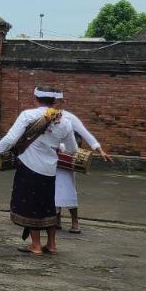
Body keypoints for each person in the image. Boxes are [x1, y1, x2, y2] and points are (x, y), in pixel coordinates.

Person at [0, 87, 75, 256]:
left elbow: (11, 139)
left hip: (30, 167)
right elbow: (71, 148)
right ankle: (51, 245)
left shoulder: (28, 115)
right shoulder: (65, 121)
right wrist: (56, 145)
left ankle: (35, 245)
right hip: (50, 170)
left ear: (35, 98)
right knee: (48, 206)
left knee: (31, 205)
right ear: (54, 101)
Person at [54, 92, 111, 234]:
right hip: (51, 158)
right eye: (53, 101)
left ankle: (75, 222)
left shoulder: (69, 117)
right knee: (52, 191)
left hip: (67, 157)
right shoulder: (44, 116)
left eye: (58, 101)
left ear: (63, 102)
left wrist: (100, 150)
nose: (55, 104)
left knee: (67, 189)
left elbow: (85, 133)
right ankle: (56, 220)